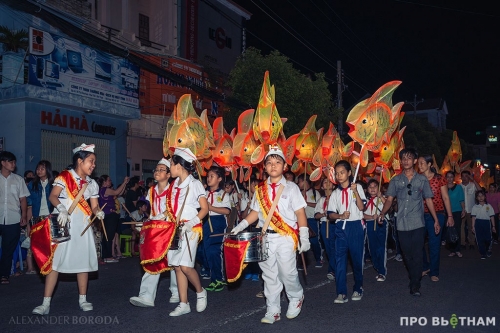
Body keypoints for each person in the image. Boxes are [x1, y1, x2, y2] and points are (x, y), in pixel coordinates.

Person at [231, 144, 309, 324]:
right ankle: (273, 309)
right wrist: (242, 224)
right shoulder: (259, 190)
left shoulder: (291, 188)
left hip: (286, 237)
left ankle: (296, 297)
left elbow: (300, 213)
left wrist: (303, 235)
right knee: (269, 275)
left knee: (287, 273)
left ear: (284, 166)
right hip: (266, 237)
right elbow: (255, 213)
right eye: (269, 162)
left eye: (277, 162)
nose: (273, 165)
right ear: (264, 167)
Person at [32, 143, 103, 314]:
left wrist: (98, 212)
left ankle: (83, 299)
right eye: (91, 161)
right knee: (55, 262)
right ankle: (45, 303)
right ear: (80, 161)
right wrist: (62, 208)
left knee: (82, 262)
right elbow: (53, 196)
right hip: (63, 224)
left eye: (94, 162)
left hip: (82, 226)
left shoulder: (92, 183)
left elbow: (94, 206)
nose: (93, 165)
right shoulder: (64, 177)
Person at [378, 148, 439, 297]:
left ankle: (415, 284)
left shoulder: (422, 180)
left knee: (417, 253)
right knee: (407, 254)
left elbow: (429, 200)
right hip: (402, 223)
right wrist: (382, 213)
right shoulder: (396, 180)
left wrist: (436, 219)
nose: (406, 161)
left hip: (418, 222)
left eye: (409, 158)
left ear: (415, 161)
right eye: (403, 158)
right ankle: (414, 276)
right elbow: (390, 200)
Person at [129, 158, 181, 309]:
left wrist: (163, 216)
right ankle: (146, 296)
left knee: (173, 261)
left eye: (161, 170)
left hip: (171, 229)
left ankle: (176, 291)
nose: (157, 172)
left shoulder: (174, 189)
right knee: (152, 260)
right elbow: (152, 212)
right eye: (156, 170)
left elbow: (175, 209)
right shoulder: (151, 191)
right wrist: (146, 223)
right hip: (156, 231)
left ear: (169, 174)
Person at [166, 148, 208, 316]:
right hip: (175, 229)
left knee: (185, 266)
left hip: (191, 228)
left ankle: (200, 291)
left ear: (179, 165)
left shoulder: (195, 184)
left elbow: (204, 209)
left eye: (171, 164)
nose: (170, 168)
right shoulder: (173, 185)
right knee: (177, 267)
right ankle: (184, 303)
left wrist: (191, 223)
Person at [327, 160, 366, 303]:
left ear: (349, 173)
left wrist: (355, 192)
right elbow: (330, 214)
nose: (339, 175)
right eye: (337, 173)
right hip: (340, 228)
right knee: (340, 261)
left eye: (342, 172)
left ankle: (358, 288)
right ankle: (341, 293)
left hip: (355, 227)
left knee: (356, 260)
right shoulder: (335, 193)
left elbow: (362, 208)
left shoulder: (358, 188)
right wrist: (340, 216)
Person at [417, 155, 454, 282]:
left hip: (437, 214)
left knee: (434, 244)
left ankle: (434, 271)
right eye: (419, 163)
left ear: (429, 165)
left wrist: (450, 216)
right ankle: (425, 266)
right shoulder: (417, 179)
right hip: (420, 215)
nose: (419, 165)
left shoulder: (439, 179)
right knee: (418, 243)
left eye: (422, 163)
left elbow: (445, 198)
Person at [0, 151, 30, 285]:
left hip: (13, 218)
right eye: (11, 161)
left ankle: (4, 275)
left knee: (8, 248)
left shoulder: (18, 180)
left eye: (14, 162)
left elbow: (23, 199)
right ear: (3, 163)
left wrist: (23, 215)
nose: (14, 164)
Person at [203, 166, 231, 291]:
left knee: (215, 251)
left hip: (218, 223)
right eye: (208, 176)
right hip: (204, 223)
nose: (209, 179)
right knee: (204, 251)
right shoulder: (203, 194)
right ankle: (212, 275)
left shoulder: (224, 194)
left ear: (219, 179)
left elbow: (227, 211)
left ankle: (218, 279)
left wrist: (211, 208)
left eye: (212, 176)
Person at [26, 160, 55, 274]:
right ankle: (32, 267)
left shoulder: (54, 184)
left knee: (51, 242)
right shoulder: (32, 185)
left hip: (51, 217)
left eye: (42, 169)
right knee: (35, 242)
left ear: (47, 170)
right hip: (37, 217)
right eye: (38, 169)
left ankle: (52, 265)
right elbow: (29, 205)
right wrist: (28, 222)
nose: (39, 171)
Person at [97, 175, 129, 262]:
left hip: (109, 215)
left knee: (108, 235)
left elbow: (119, 193)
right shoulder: (105, 189)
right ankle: (108, 256)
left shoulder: (105, 190)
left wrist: (125, 183)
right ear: (104, 182)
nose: (110, 182)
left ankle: (107, 255)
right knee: (109, 236)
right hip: (109, 215)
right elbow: (116, 192)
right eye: (109, 180)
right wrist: (123, 182)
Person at [363, 179, 387, 282]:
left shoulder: (383, 198)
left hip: (381, 224)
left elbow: (387, 206)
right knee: (372, 247)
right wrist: (372, 216)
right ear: (367, 189)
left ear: (379, 188)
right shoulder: (365, 201)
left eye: (375, 186)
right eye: (370, 187)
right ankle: (377, 266)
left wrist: (380, 196)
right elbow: (362, 214)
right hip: (369, 223)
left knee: (381, 247)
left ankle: (382, 271)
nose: (373, 188)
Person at [297, 174, 322, 268]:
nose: (298, 184)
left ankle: (318, 258)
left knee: (314, 240)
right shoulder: (298, 193)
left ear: (304, 181)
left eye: (299, 181)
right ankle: (302, 262)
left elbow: (319, 205)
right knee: (301, 240)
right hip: (301, 220)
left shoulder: (315, 193)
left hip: (312, 219)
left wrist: (306, 203)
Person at [314, 177, 336, 281]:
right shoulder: (321, 200)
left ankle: (332, 269)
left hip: (335, 224)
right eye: (325, 182)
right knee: (328, 248)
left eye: (329, 182)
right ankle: (334, 268)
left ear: (334, 185)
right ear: (322, 187)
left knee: (335, 247)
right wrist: (323, 214)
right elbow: (316, 215)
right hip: (324, 224)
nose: (327, 184)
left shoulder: (337, 197)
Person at [471, 190, 496, 259]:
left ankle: (488, 248)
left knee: (488, 238)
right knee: (479, 239)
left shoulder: (488, 206)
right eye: (479, 196)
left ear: (485, 197)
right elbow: (473, 217)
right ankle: (483, 253)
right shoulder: (475, 207)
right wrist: (473, 226)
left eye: (482, 195)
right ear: (476, 198)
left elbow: (492, 216)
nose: (480, 197)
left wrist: (493, 226)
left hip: (486, 223)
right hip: (478, 223)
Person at [446, 171, 465, 257]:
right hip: (446, 212)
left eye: (451, 177)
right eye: (448, 177)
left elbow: (461, 199)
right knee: (449, 230)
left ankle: (457, 249)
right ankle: (451, 250)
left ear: (454, 178)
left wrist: (463, 209)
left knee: (457, 230)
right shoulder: (444, 187)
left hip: (457, 211)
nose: (449, 178)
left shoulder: (458, 187)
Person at [460, 171, 481, 250]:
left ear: (469, 177)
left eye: (466, 176)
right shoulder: (459, 186)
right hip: (462, 211)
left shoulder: (472, 185)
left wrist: (474, 180)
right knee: (461, 227)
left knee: (471, 227)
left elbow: (480, 190)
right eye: (463, 176)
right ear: (461, 177)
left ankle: (471, 242)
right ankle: (462, 243)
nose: (465, 178)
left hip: (471, 210)